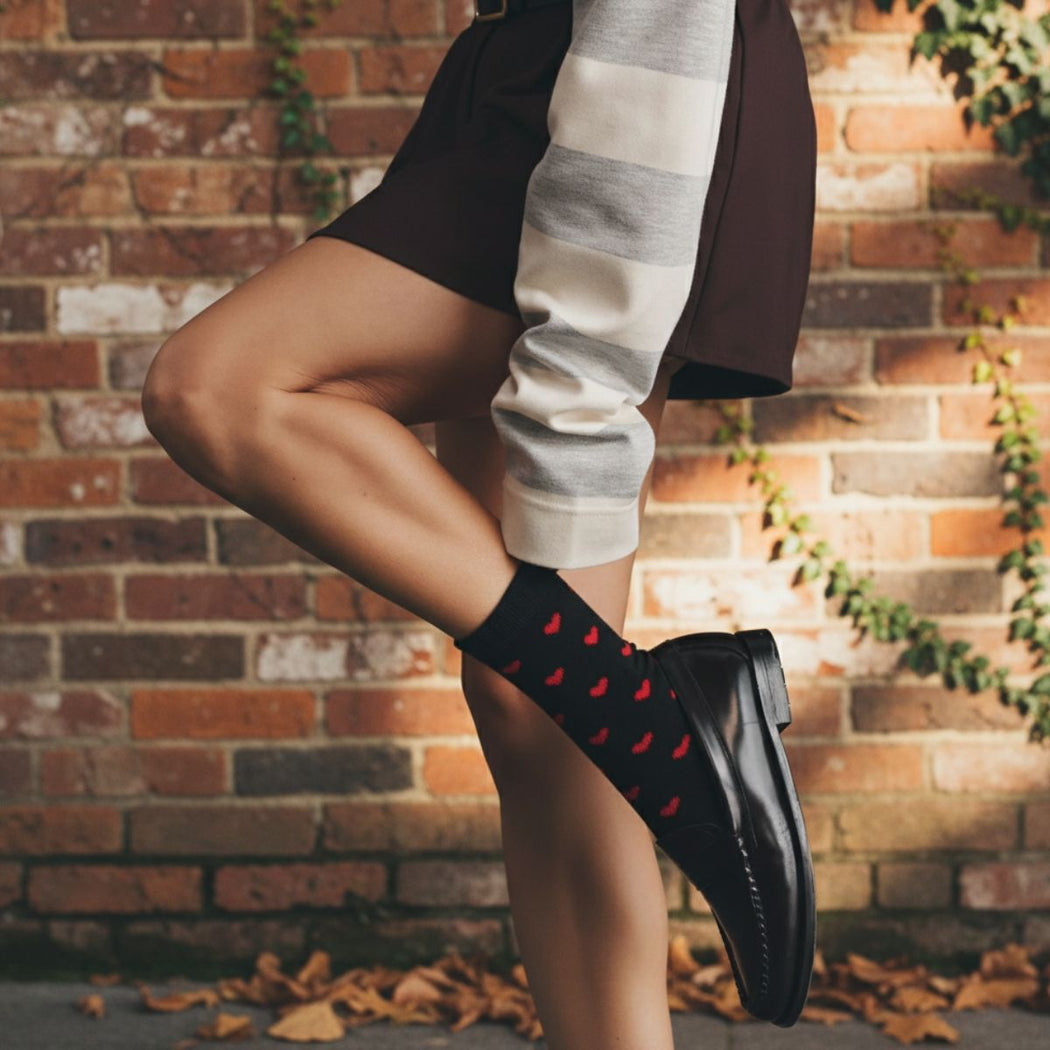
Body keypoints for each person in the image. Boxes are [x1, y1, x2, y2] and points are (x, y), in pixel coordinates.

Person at [140, 0, 818, 1045]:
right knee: (534, 705)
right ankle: (658, 723)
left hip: (632, 103)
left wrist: (584, 381)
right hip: (531, 83)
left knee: (217, 385)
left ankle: (653, 723)